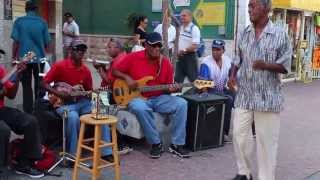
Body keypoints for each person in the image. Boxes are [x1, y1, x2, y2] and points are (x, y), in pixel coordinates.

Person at [228, 0, 292, 180]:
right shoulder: (244, 33)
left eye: (253, 6)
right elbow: (237, 58)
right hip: (245, 94)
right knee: (239, 135)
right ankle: (244, 173)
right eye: (248, 6)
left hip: (268, 97)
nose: (249, 10)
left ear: (265, 8)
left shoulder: (279, 35)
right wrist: (232, 75)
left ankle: (265, 177)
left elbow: (285, 66)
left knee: (266, 143)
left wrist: (265, 65)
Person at [113, 32, 190, 159]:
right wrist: (127, 78)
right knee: (139, 107)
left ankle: (177, 144)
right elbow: (115, 70)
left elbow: (167, 88)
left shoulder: (165, 63)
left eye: (159, 46)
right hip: (138, 98)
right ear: (146, 45)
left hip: (159, 98)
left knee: (182, 103)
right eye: (154, 46)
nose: (157, 49)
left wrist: (172, 89)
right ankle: (156, 143)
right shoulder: (133, 57)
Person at [42, 40, 113, 162]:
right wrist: (60, 94)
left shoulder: (85, 70)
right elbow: (44, 83)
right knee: (73, 117)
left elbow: (88, 91)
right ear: (70, 51)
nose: (81, 52)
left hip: (81, 102)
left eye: (83, 50)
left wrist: (94, 94)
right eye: (78, 49)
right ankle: (72, 155)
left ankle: (106, 152)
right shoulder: (60, 66)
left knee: (101, 108)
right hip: (63, 104)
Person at [0, 50, 44, 178]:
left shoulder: (1, 71)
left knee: (30, 121)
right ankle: (2, 169)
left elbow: (12, 95)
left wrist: (18, 74)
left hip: (1, 110)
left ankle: (24, 163)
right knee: (3, 129)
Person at [11, 1, 51, 114]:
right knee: (40, 84)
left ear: (25, 9)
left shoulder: (19, 21)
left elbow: (16, 42)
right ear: (36, 10)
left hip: (25, 60)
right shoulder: (42, 22)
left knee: (26, 85)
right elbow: (48, 42)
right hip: (40, 60)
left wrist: (13, 57)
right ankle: (39, 109)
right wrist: (46, 55)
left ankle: (28, 111)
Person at [198, 39, 234, 143]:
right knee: (228, 100)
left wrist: (233, 85)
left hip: (223, 90)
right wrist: (205, 93)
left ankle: (250, 128)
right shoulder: (206, 62)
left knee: (239, 97)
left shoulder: (227, 60)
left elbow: (232, 77)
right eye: (213, 49)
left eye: (218, 49)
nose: (215, 52)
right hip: (209, 91)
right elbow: (203, 85)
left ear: (223, 50)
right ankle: (223, 133)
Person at [174, 9, 201, 83]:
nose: (182, 17)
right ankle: (177, 94)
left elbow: (195, 45)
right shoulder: (180, 28)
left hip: (190, 58)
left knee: (194, 80)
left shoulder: (194, 29)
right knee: (177, 80)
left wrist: (184, 50)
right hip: (180, 57)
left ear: (190, 17)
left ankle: (196, 94)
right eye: (181, 15)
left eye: (184, 15)